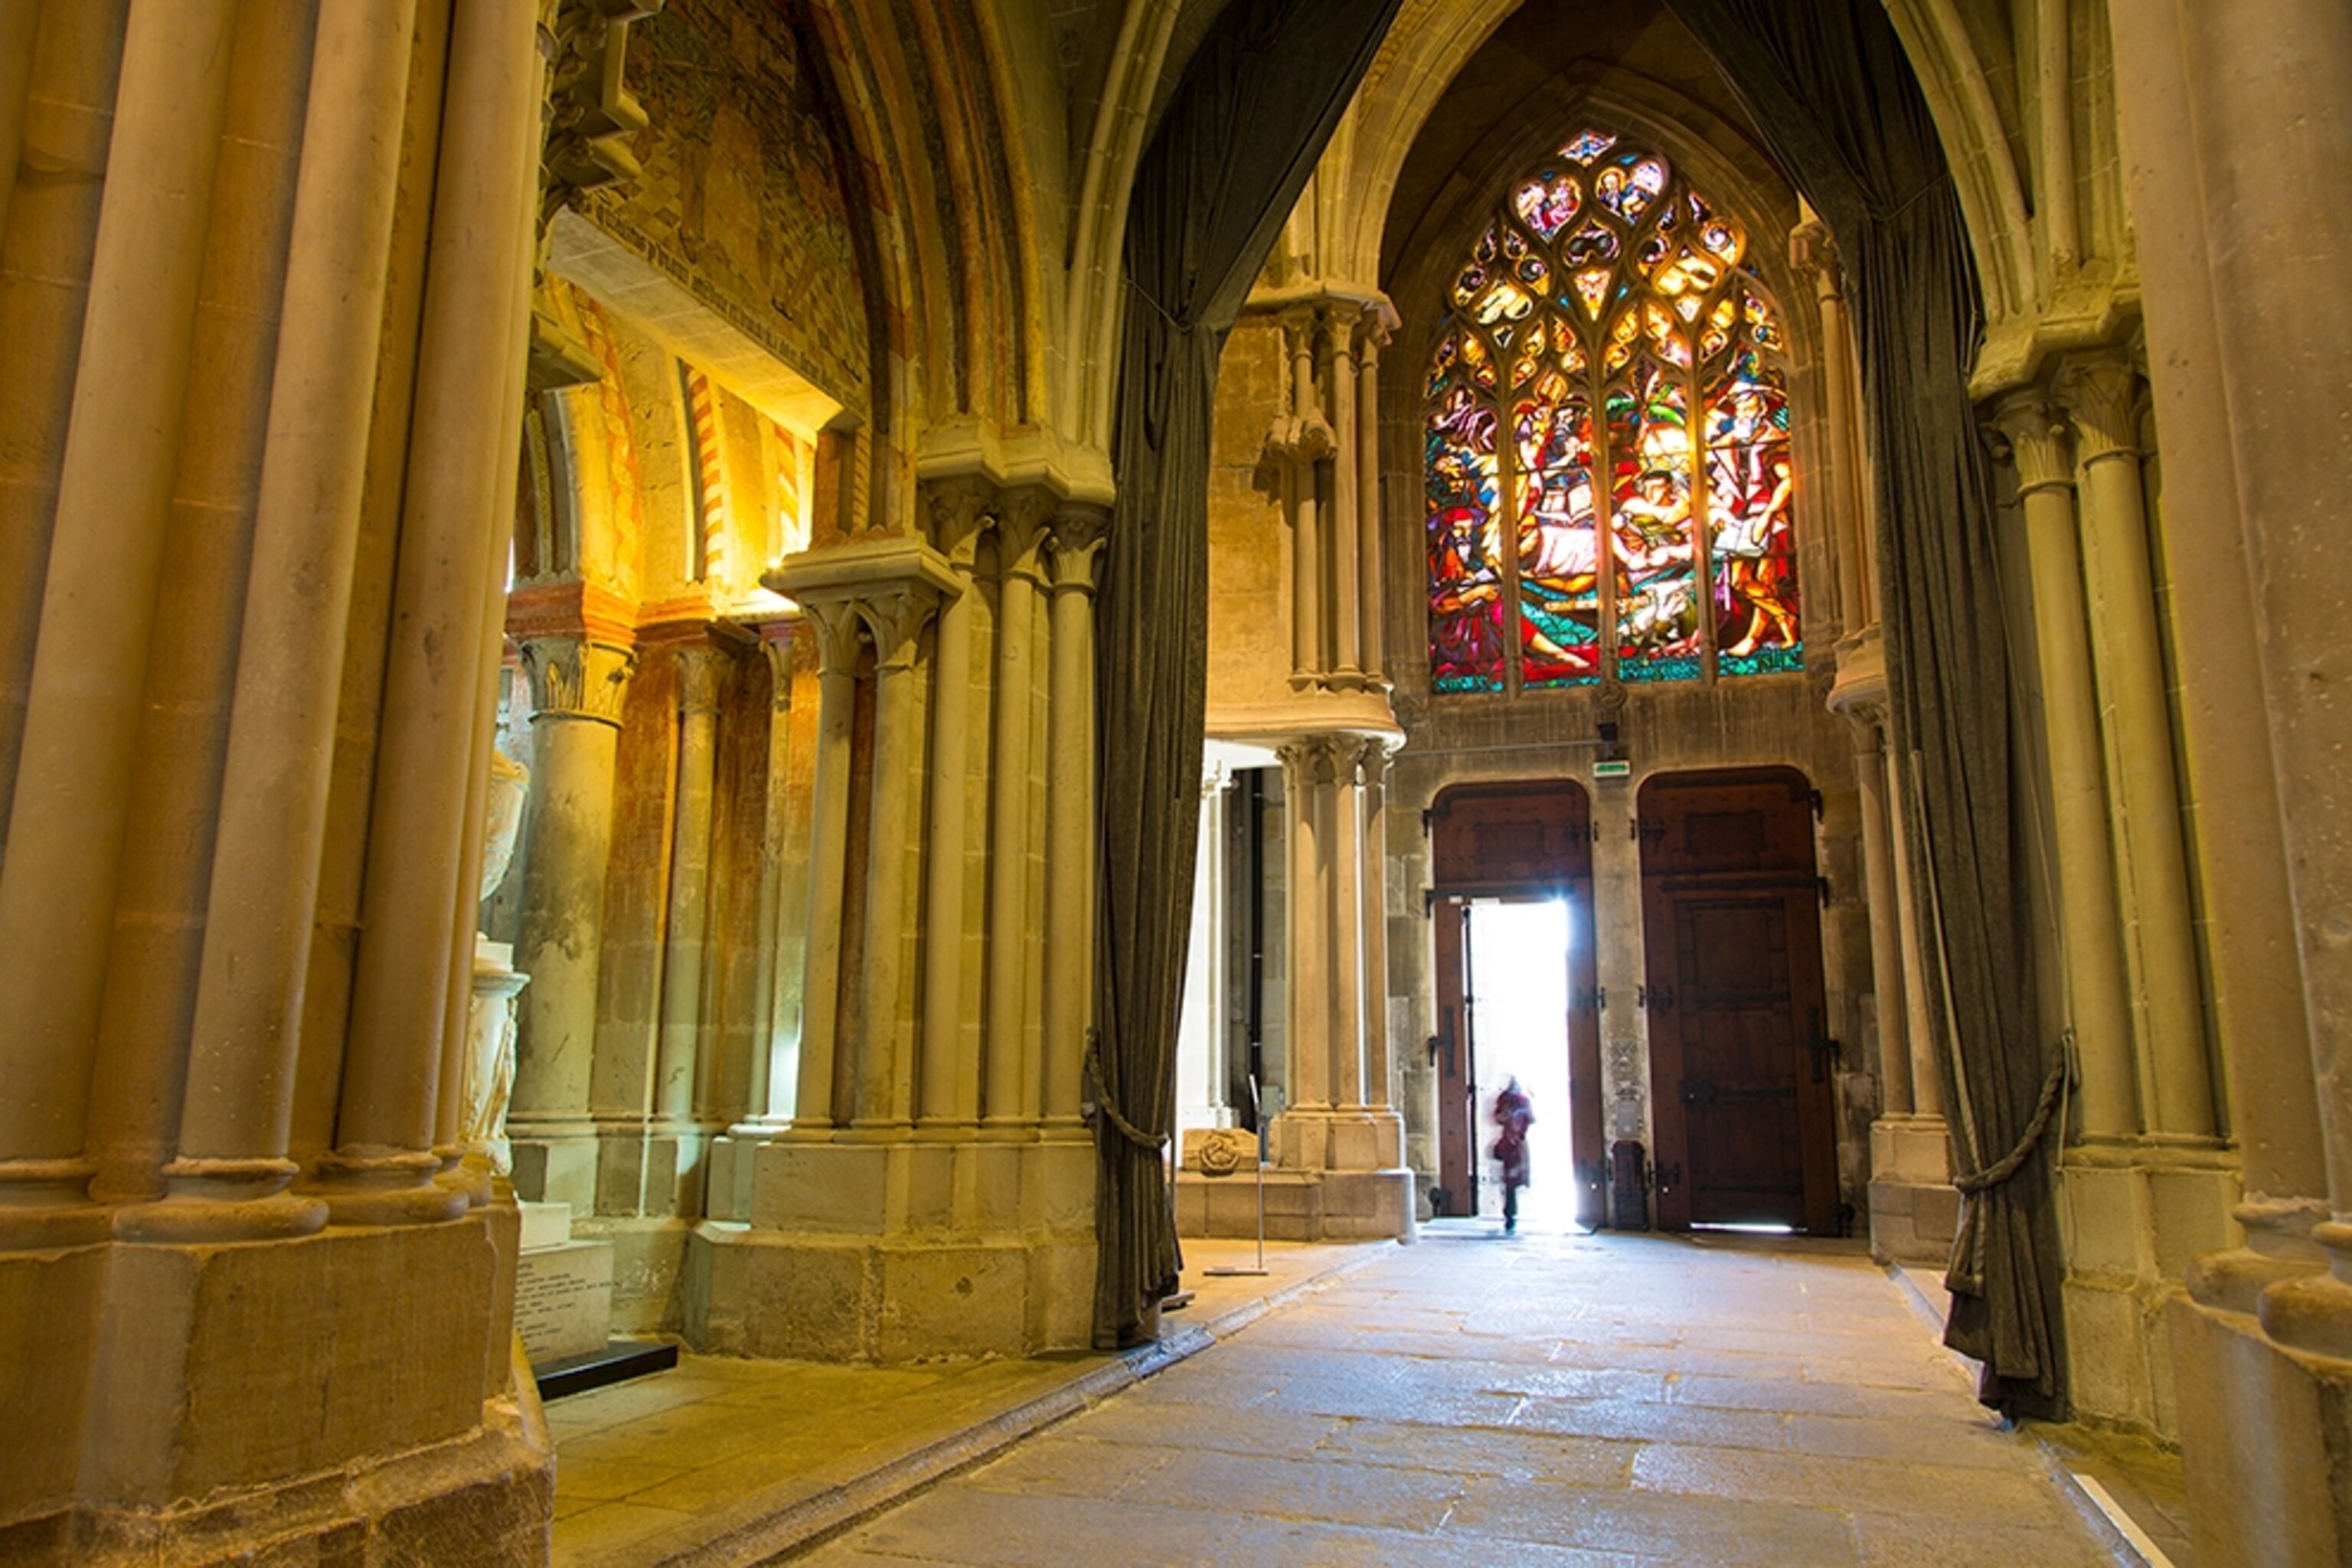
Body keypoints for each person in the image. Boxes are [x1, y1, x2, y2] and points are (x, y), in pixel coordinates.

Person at [1491, 1076, 1534, 1233]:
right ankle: (1510, 1213)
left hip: (1517, 1143)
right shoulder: (1510, 1100)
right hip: (1511, 1144)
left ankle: (1511, 1213)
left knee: (1513, 1180)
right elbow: (1499, 1117)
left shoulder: (1520, 1101)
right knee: (1510, 1181)